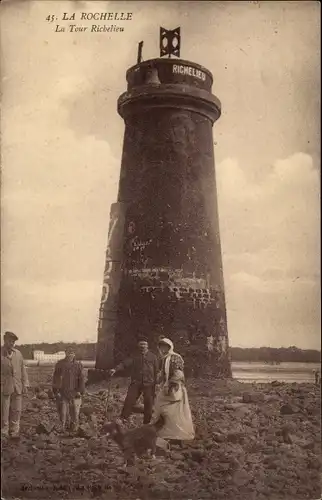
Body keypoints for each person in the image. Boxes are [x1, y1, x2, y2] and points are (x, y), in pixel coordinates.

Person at [109, 338, 159, 424]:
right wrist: (115, 369)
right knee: (129, 400)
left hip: (149, 383)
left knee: (148, 402)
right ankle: (123, 418)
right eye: (141, 344)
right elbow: (125, 363)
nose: (143, 346)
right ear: (138, 346)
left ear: (147, 346)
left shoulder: (153, 357)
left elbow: (156, 371)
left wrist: (156, 383)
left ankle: (147, 422)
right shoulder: (134, 356)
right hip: (136, 382)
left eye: (144, 344)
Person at [153, 369, 195, 443]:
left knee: (170, 414)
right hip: (174, 398)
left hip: (173, 398)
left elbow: (174, 396)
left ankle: (170, 434)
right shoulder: (178, 382)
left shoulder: (174, 383)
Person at [1, 331, 29, 439]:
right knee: (4, 410)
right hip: (4, 387)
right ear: (4, 340)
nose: (11, 343)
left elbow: (23, 370)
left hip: (17, 387)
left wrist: (25, 384)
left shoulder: (18, 354)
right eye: (9, 341)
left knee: (16, 410)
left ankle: (14, 431)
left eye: (13, 341)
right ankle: (3, 432)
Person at [52, 346, 85, 433]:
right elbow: (56, 378)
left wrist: (80, 391)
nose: (70, 354)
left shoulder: (78, 365)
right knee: (63, 412)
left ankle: (74, 429)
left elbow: (81, 379)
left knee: (75, 412)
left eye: (72, 353)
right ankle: (63, 428)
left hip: (75, 392)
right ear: (65, 353)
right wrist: (56, 391)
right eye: (68, 352)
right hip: (63, 392)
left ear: (74, 354)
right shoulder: (59, 364)